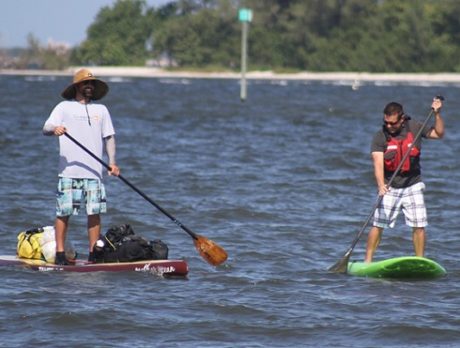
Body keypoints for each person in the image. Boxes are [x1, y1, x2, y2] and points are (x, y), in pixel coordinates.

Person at [43, 68, 120, 265]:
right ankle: (60, 253)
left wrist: (112, 162)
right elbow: (46, 127)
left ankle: (93, 253)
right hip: (69, 172)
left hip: (94, 173)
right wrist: (55, 129)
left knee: (94, 214)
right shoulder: (63, 107)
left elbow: (109, 137)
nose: (89, 87)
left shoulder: (101, 111)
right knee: (64, 213)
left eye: (92, 84)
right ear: (77, 86)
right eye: (86, 83)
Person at [364, 97, 444, 263]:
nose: (389, 126)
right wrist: (380, 185)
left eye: (393, 123)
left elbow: (438, 134)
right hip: (390, 186)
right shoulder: (380, 136)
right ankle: (367, 261)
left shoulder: (415, 127)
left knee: (419, 225)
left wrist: (437, 115)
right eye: (386, 122)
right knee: (378, 225)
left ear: (402, 118)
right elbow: (378, 163)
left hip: (413, 184)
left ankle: (420, 261)